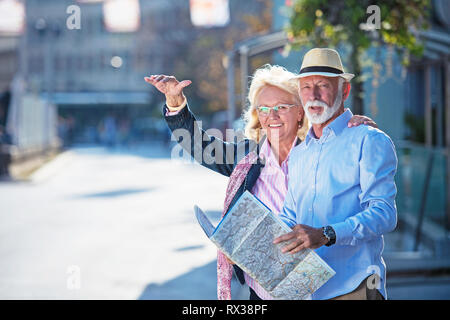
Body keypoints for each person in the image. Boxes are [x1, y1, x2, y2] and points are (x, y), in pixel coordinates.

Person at [144, 65, 377, 300]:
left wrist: (354, 132)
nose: (272, 116)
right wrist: (175, 102)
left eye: (282, 107)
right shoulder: (247, 158)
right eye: (264, 108)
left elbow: (366, 199)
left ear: (301, 112)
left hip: (326, 288)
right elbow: (200, 147)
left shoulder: (325, 152)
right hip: (263, 292)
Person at [273, 48, 398, 300]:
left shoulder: (368, 140)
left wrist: (327, 234)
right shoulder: (299, 154)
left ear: (344, 91)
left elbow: (385, 214)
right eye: (306, 87)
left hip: (354, 287)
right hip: (306, 289)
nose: (313, 95)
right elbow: (289, 216)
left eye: (322, 85)